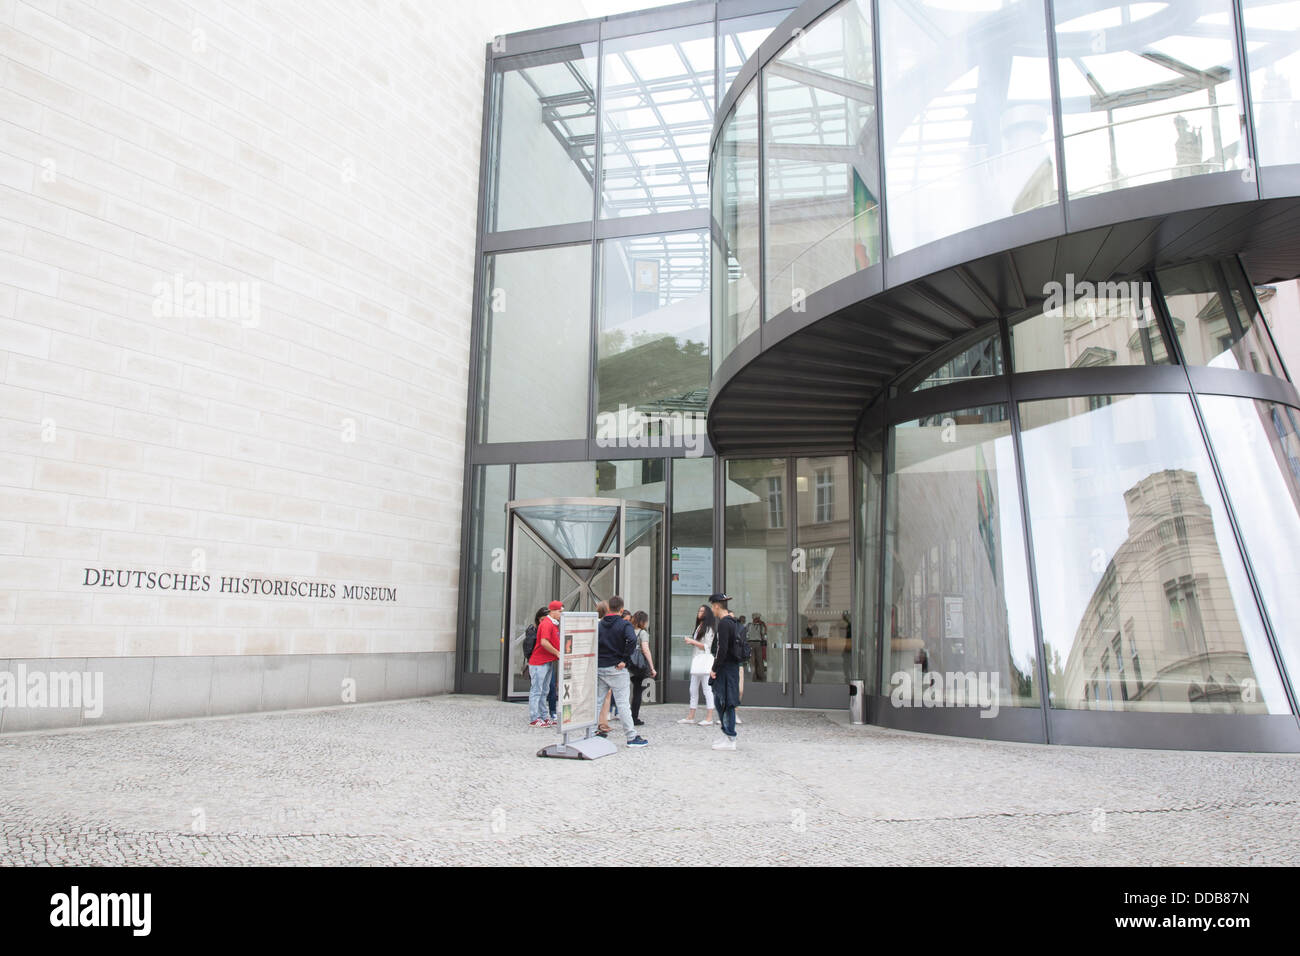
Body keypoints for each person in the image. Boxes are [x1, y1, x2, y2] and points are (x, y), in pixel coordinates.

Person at [595, 595, 648, 748]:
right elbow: (631, 640)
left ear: (609, 607)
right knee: (623, 703)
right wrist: (624, 659)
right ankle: (631, 737)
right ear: (621, 609)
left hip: (600, 666)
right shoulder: (624, 625)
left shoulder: (600, 624)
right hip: (616, 668)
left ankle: (592, 732)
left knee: (598, 701)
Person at [708, 591, 741, 750]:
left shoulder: (723, 623)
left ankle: (730, 737)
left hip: (726, 668)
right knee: (723, 701)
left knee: (725, 702)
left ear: (716, 606)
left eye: (712, 608)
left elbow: (722, 649)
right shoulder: (732, 621)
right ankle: (727, 735)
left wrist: (714, 669)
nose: (712, 611)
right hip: (730, 667)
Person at [678, 604, 716, 726]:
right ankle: (691, 716)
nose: (699, 612)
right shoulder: (699, 627)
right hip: (697, 660)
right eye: (699, 610)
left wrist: (692, 641)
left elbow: (707, 647)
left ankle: (709, 717)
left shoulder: (709, 628)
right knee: (692, 689)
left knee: (707, 690)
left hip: (705, 661)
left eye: (702, 611)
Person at [528, 601, 562, 727]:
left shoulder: (552, 624)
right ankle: (534, 717)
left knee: (544, 690)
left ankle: (543, 716)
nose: (560, 614)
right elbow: (544, 642)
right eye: (559, 611)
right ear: (553, 611)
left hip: (547, 661)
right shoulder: (547, 624)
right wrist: (557, 652)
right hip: (539, 662)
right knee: (537, 690)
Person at [628, 610, 656, 726]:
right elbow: (645, 650)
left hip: (627, 664)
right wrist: (652, 667)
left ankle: (627, 715)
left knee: (627, 692)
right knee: (637, 692)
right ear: (643, 621)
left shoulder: (628, 630)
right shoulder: (642, 633)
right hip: (638, 666)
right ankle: (634, 717)